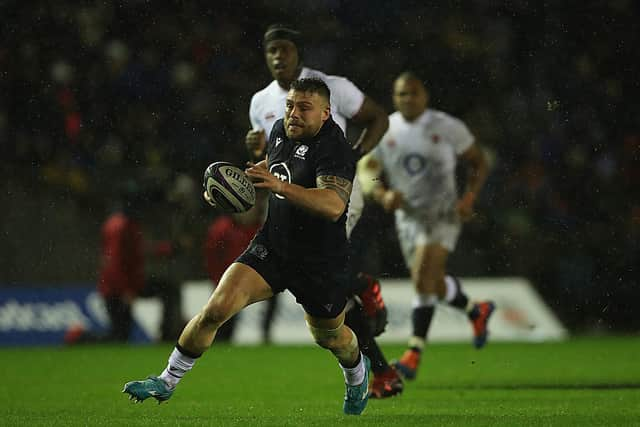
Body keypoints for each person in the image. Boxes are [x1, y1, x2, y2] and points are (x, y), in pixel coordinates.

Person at [124, 78, 371, 415]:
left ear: (326, 113)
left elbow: (332, 205)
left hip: (320, 262)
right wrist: (232, 188)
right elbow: (276, 170)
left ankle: (357, 373)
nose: (293, 113)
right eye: (289, 105)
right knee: (215, 309)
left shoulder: (335, 149)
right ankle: (166, 381)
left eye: (304, 107)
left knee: (331, 338)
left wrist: (279, 185)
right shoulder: (280, 132)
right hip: (273, 245)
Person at [245, 23, 402, 398]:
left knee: (321, 279)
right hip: (290, 204)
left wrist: (354, 158)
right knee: (324, 289)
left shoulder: (333, 87)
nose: (279, 57)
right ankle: (375, 350)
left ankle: (379, 368)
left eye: (285, 49)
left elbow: (378, 116)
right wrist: (255, 151)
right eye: (272, 51)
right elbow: (275, 158)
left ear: (299, 53)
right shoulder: (260, 102)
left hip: (332, 198)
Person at [367, 72, 495, 381]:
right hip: (407, 218)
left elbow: (478, 162)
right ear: (394, 97)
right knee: (431, 283)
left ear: (425, 95)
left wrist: (469, 198)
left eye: (413, 93)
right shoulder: (386, 128)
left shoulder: (447, 126)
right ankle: (476, 310)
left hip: (442, 214)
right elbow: (369, 167)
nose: (408, 99)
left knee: (424, 276)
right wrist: (382, 193)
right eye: (401, 94)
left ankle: (413, 352)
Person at [203, 196, 266, 342]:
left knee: (273, 298)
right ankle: (221, 340)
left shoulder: (261, 229)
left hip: (256, 278)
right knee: (223, 312)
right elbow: (211, 257)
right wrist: (218, 280)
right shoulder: (221, 229)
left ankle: (265, 334)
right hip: (227, 278)